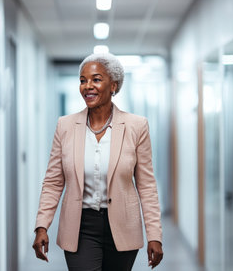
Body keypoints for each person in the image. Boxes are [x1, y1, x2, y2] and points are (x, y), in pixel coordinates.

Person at [32, 53, 163, 270]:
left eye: (96, 79)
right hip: (80, 226)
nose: (87, 86)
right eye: (83, 81)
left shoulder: (136, 126)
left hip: (122, 226)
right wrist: (42, 226)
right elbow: (53, 182)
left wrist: (155, 235)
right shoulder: (65, 126)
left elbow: (147, 186)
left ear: (114, 85)